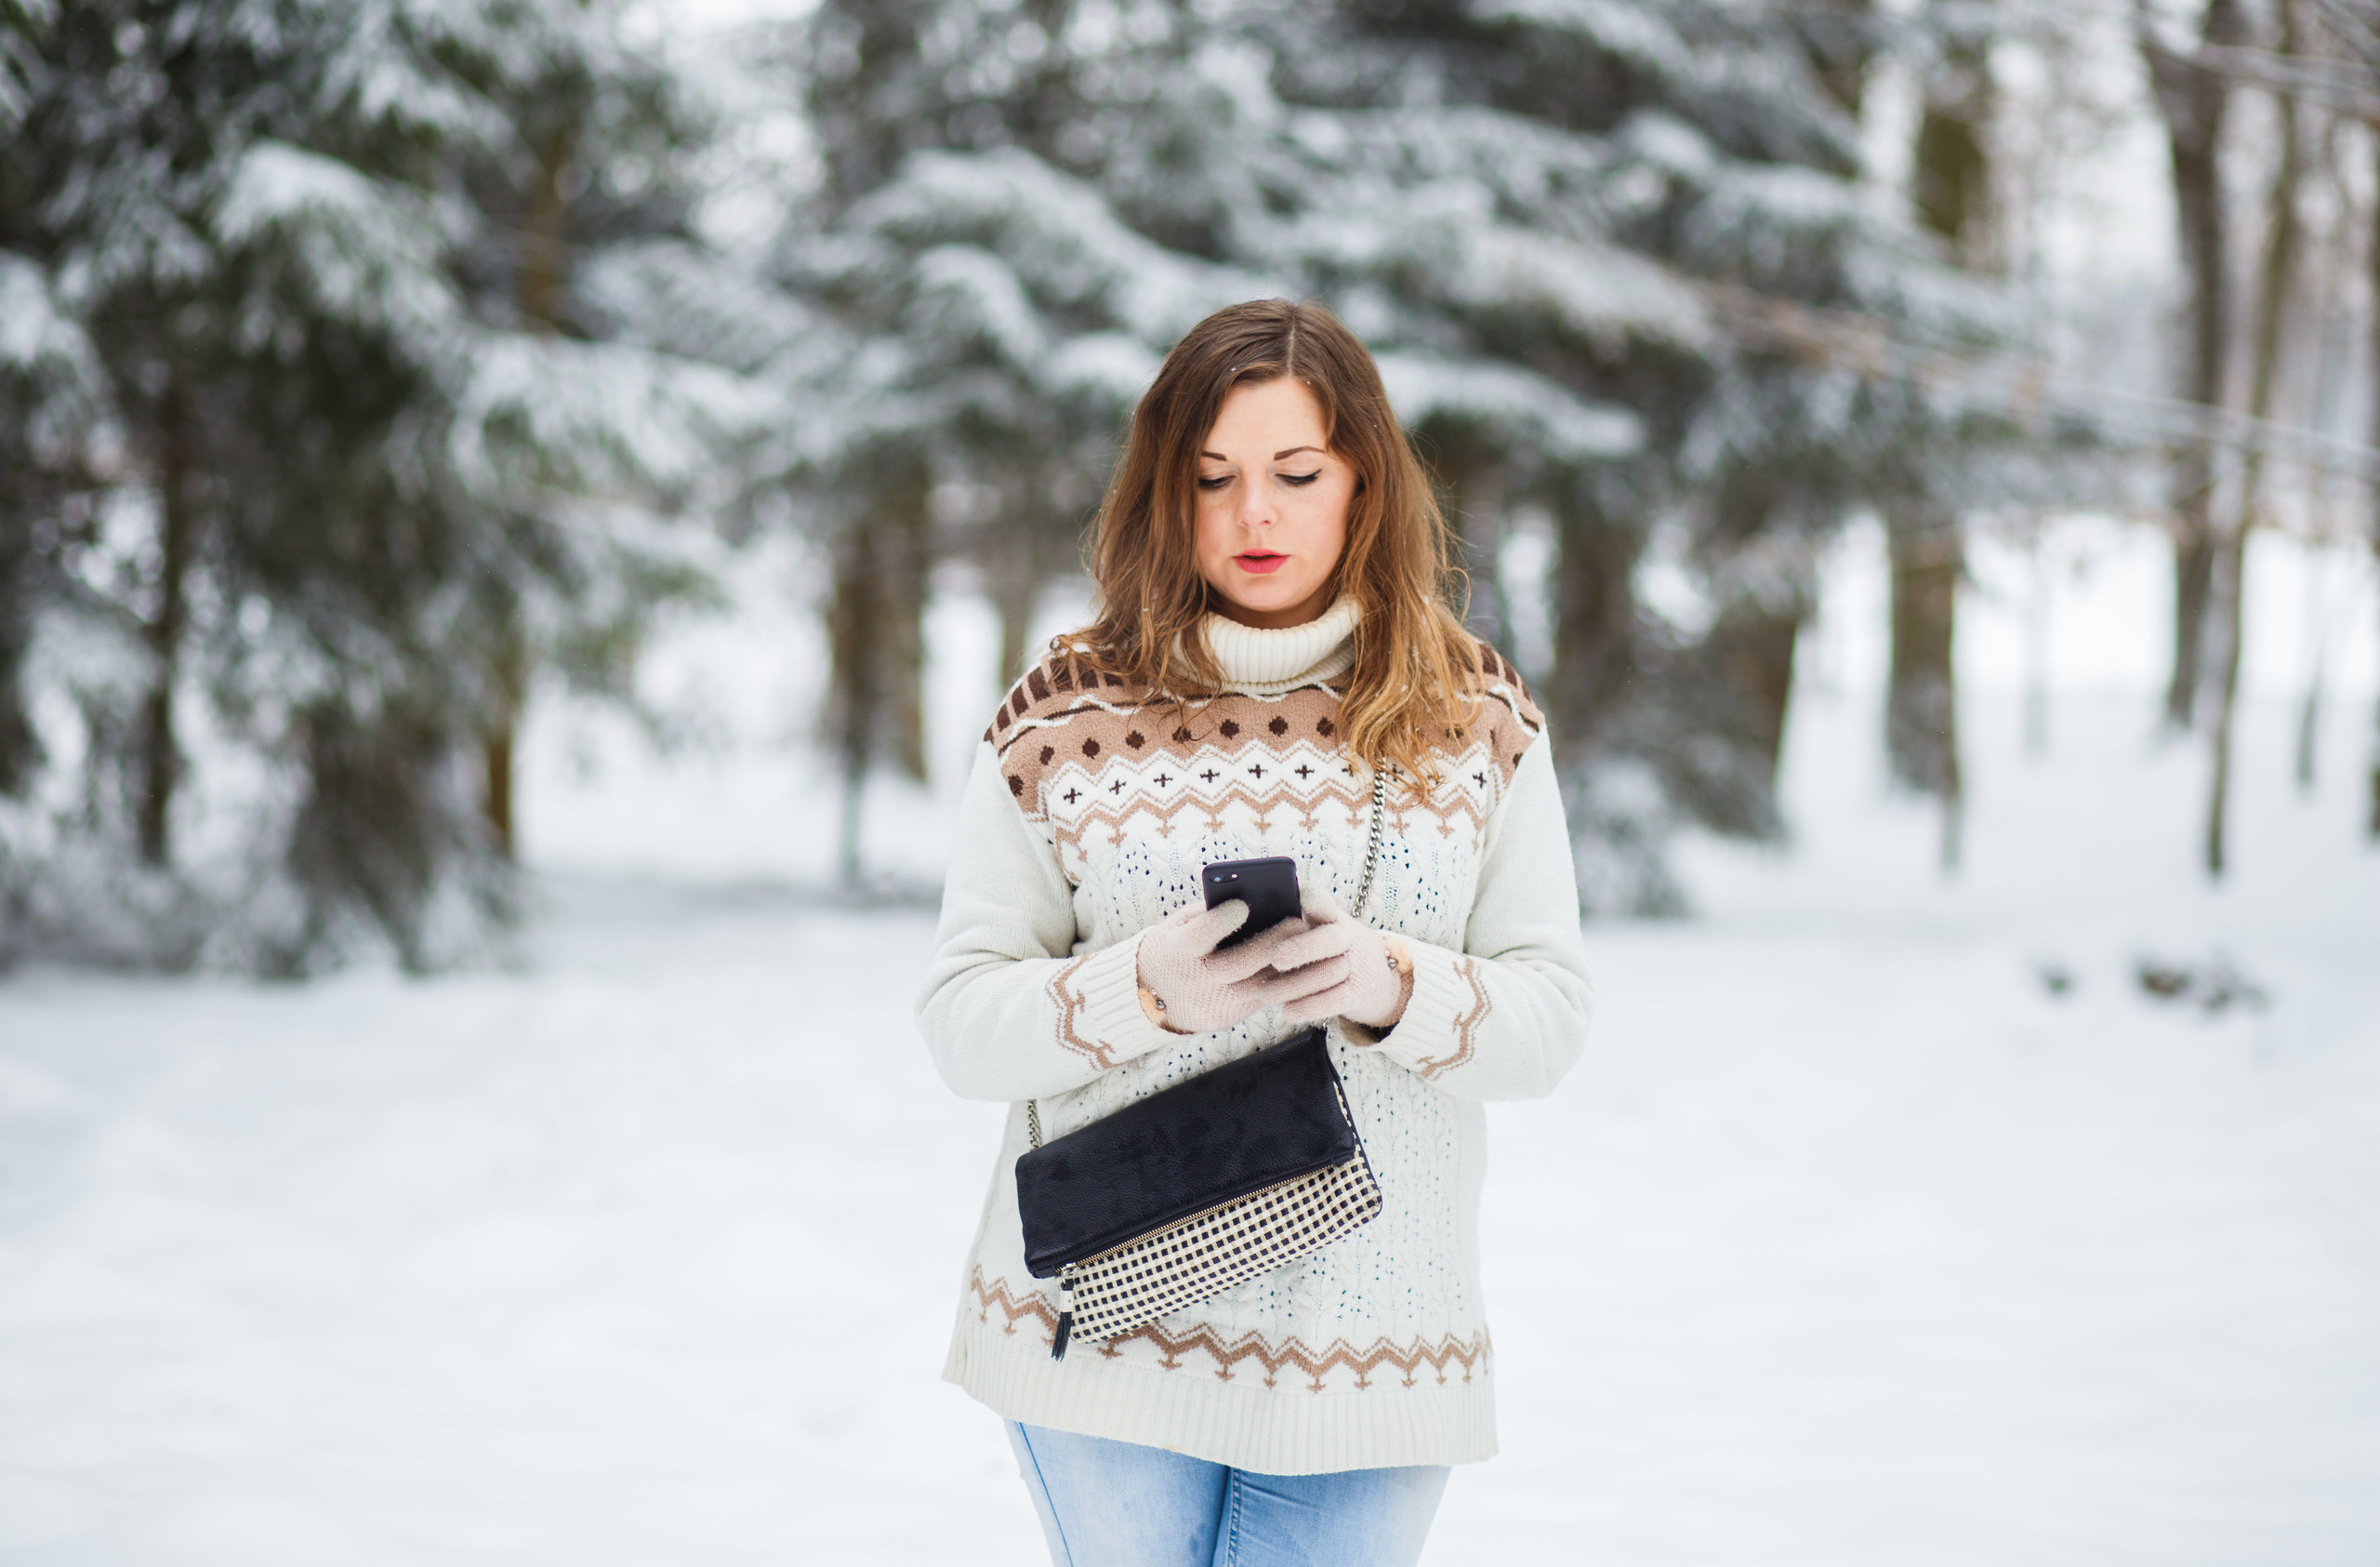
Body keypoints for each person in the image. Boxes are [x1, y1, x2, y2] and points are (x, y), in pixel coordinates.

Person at [916, 298, 1593, 1566]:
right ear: (1165, 490)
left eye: (1295, 473)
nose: (1254, 516)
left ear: (1364, 483)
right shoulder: (1061, 711)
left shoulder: (1474, 711)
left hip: (1375, 1351)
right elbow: (962, 1022)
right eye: (1213, 476)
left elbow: (1550, 1020)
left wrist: (1395, 983)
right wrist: (1143, 989)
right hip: (1103, 1326)